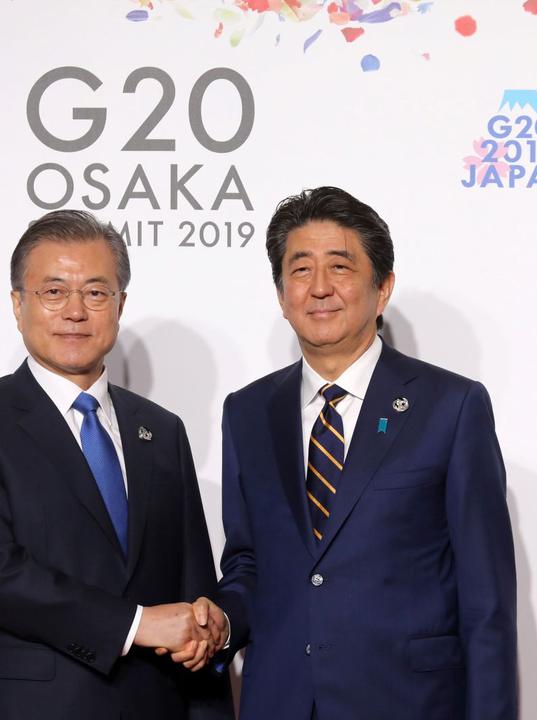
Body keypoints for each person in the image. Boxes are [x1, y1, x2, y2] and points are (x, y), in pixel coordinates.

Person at [215, 187, 519, 719]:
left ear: (382, 289)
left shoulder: (451, 407)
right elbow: (248, 562)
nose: (320, 288)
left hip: (409, 703)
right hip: (280, 702)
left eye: (341, 266)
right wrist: (217, 621)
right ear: (282, 293)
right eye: (301, 269)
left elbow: (486, 603)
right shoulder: (248, 412)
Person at [0, 210, 231, 720]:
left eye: (95, 292)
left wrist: (209, 625)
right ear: (18, 304)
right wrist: (137, 625)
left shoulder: (161, 430)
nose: (75, 311)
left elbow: (192, 584)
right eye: (53, 292)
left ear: (120, 305)